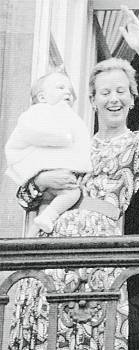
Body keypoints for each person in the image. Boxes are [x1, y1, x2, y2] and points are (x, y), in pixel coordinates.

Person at [7, 6, 139, 350]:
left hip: (98, 264)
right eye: (104, 91)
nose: (113, 97)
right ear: (93, 99)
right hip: (52, 256)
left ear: (132, 98)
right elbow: (25, 192)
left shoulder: (135, 147)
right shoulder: (68, 143)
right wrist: (42, 184)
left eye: (122, 90)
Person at [5, 70, 91, 235]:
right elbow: (23, 199)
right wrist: (42, 180)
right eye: (60, 87)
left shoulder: (70, 119)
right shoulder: (39, 113)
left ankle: (39, 227)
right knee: (69, 194)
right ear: (42, 97)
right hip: (42, 180)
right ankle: (38, 229)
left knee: (65, 196)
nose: (67, 92)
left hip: (75, 221)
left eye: (70, 91)